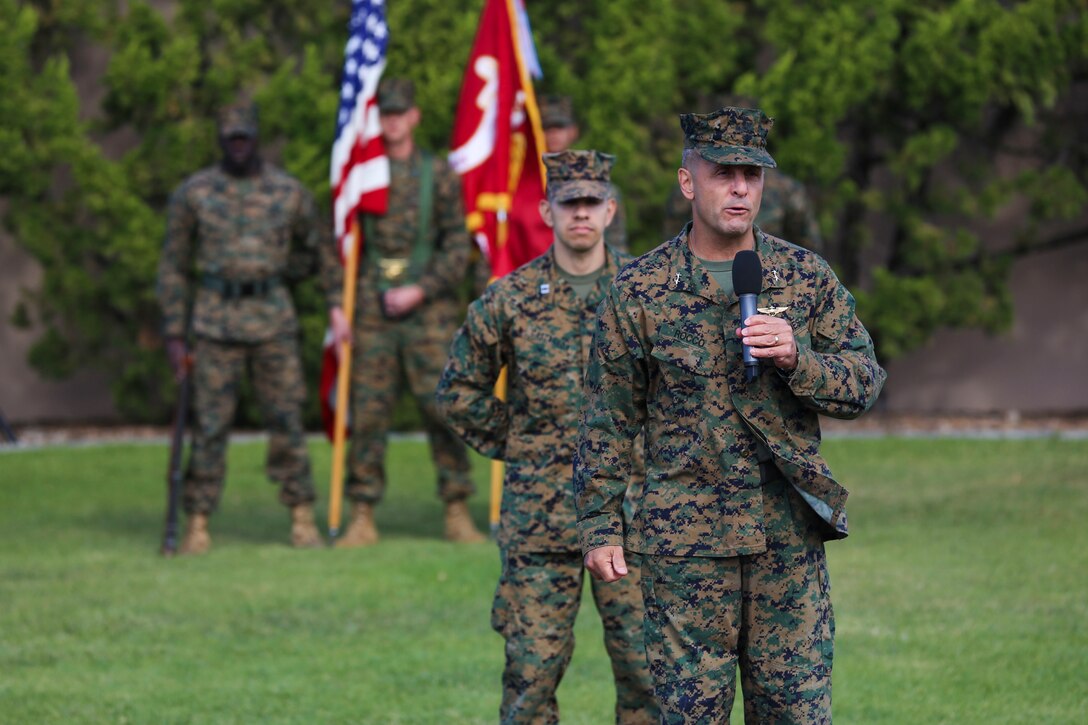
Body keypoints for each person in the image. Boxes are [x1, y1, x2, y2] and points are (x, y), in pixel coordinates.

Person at [575, 107, 887, 722]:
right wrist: (600, 525)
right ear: (689, 182)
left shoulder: (803, 278)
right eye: (724, 173)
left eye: (753, 174)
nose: (741, 188)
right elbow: (609, 418)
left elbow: (864, 383)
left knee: (797, 715)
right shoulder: (641, 289)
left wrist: (800, 358)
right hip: (685, 550)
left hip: (786, 547)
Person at [437, 149, 657, 724]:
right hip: (540, 520)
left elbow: (685, 391)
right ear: (547, 210)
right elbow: (459, 389)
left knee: (648, 674)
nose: (580, 214)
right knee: (530, 677)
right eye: (569, 203)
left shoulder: (645, 293)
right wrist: (526, 442)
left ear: (610, 210)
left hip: (632, 514)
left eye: (591, 203)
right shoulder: (510, 298)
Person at [157, 100, 324, 554]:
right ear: (220, 140)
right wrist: (174, 333)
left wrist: (282, 278)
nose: (237, 146)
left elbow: (317, 252)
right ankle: (196, 522)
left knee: (287, 419)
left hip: (272, 320)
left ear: (256, 138)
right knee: (209, 427)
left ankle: (302, 516)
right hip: (214, 323)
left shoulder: (289, 193)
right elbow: (173, 265)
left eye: (244, 138)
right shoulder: (195, 193)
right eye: (230, 138)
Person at [324, 78, 483, 547]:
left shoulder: (438, 174)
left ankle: (456, 508)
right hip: (370, 310)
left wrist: (422, 288)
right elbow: (336, 244)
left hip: (427, 311)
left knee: (443, 409)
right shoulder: (360, 176)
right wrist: (338, 303)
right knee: (369, 414)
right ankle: (362, 513)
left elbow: (458, 244)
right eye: (384, 114)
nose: (391, 121)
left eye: (399, 113)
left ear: (413, 116)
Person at [539, 95, 628, 251]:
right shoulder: (523, 185)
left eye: (559, 128)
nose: (553, 134)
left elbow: (616, 244)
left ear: (573, 131)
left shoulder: (597, 183)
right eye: (546, 129)